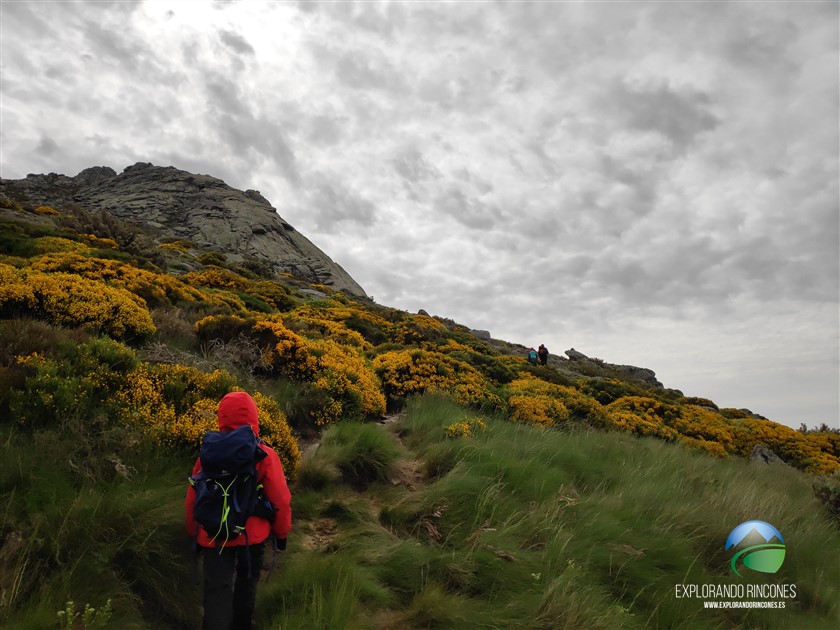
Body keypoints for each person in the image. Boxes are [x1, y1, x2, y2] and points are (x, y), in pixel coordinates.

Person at [185, 391, 292, 630]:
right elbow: (281, 499)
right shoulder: (263, 453)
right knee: (246, 584)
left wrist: (194, 534)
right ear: (254, 417)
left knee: (216, 592)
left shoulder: (208, 453)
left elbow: (193, 497)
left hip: (213, 535)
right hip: (250, 537)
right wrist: (281, 534)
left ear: (221, 417)